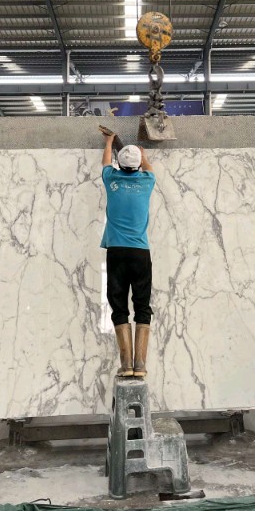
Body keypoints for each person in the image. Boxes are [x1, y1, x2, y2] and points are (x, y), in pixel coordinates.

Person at [101, 130, 156, 379]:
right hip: (140, 253)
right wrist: (143, 155)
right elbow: (149, 167)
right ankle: (140, 365)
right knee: (142, 305)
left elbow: (105, 162)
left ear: (120, 165)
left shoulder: (111, 180)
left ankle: (126, 365)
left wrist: (109, 142)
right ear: (138, 165)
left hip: (116, 253)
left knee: (118, 305)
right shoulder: (147, 182)